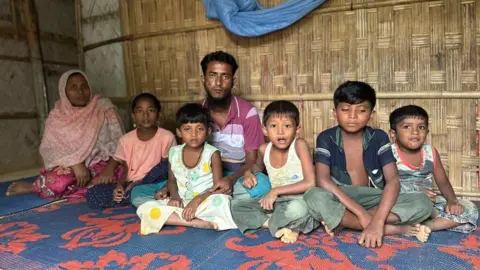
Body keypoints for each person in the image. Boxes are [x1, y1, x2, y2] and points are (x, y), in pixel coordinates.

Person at [303, 81, 433, 249]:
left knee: (423, 203)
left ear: (371, 114)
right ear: (334, 113)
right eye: (345, 110)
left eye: (361, 110)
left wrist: (377, 221)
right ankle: (390, 229)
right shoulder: (326, 138)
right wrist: (361, 214)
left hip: (372, 196)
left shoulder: (378, 137)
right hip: (341, 195)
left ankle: (351, 222)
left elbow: (393, 180)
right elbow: (323, 181)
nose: (352, 116)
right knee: (313, 195)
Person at [134, 51, 266, 206]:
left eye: (225, 76)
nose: (218, 82)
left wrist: (229, 180)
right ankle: (213, 206)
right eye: (212, 75)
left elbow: (252, 160)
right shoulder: (194, 114)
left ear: (233, 81)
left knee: (262, 187)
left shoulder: (247, 112)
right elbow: (183, 157)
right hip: (196, 176)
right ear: (203, 79)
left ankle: (192, 206)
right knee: (137, 193)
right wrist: (170, 187)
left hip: (236, 175)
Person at [6, 70, 124, 199]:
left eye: (84, 86)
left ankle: (77, 189)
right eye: (74, 87)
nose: (80, 91)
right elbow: (49, 148)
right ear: (64, 91)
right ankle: (34, 187)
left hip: (104, 165)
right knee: (57, 182)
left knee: (126, 175)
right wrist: (75, 164)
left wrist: (110, 169)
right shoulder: (57, 115)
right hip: (71, 168)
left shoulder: (103, 107)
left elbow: (121, 142)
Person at [137, 103, 237, 234]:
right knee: (144, 209)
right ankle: (198, 222)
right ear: (179, 132)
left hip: (205, 201)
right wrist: (174, 197)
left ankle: (181, 217)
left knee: (222, 201)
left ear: (208, 131)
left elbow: (217, 187)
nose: (194, 134)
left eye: (200, 129)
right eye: (187, 129)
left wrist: (196, 201)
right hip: (182, 201)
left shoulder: (212, 154)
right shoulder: (174, 152)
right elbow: (172, 181)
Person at [231, 101, 318, 243]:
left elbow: (310, 183)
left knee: (299, 210)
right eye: (273, 126)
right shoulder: (264, 149)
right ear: (264, 129)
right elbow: (257, 169)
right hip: (275, 203)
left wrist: (275, 191)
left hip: (299, 200)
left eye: (287, 126)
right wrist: (248, 173)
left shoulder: (299, 145)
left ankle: (276, 223)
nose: (280, 132)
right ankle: (282, 225)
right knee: (237, 206)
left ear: (297, 129)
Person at [389, 105, 478, 240]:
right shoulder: (389, 154)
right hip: (401, 200)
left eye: (421, 127)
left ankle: (428, 226)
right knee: (386, 212)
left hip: (428, 203)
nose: (415, 132)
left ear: (427, 132)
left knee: (469, 208)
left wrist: (452, 201)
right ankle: (423, 222)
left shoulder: (430, 152)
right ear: (393, 133)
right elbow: (384, 185)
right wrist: (414, 194)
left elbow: (442, 181)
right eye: (407, 127)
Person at [85, 93, 176, 208]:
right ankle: (133, 196)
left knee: (165, 167)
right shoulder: (125, 140)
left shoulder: (167, 137)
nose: (145, 115)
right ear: (133, 115)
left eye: (151, 110)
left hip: (155, 182)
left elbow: (166, 169)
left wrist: (140, 182)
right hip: (131, 183)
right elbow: (126, 171)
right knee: (92, 193)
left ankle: (136, 196)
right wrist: (119, 185)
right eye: (139, 111)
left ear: (158, 114)